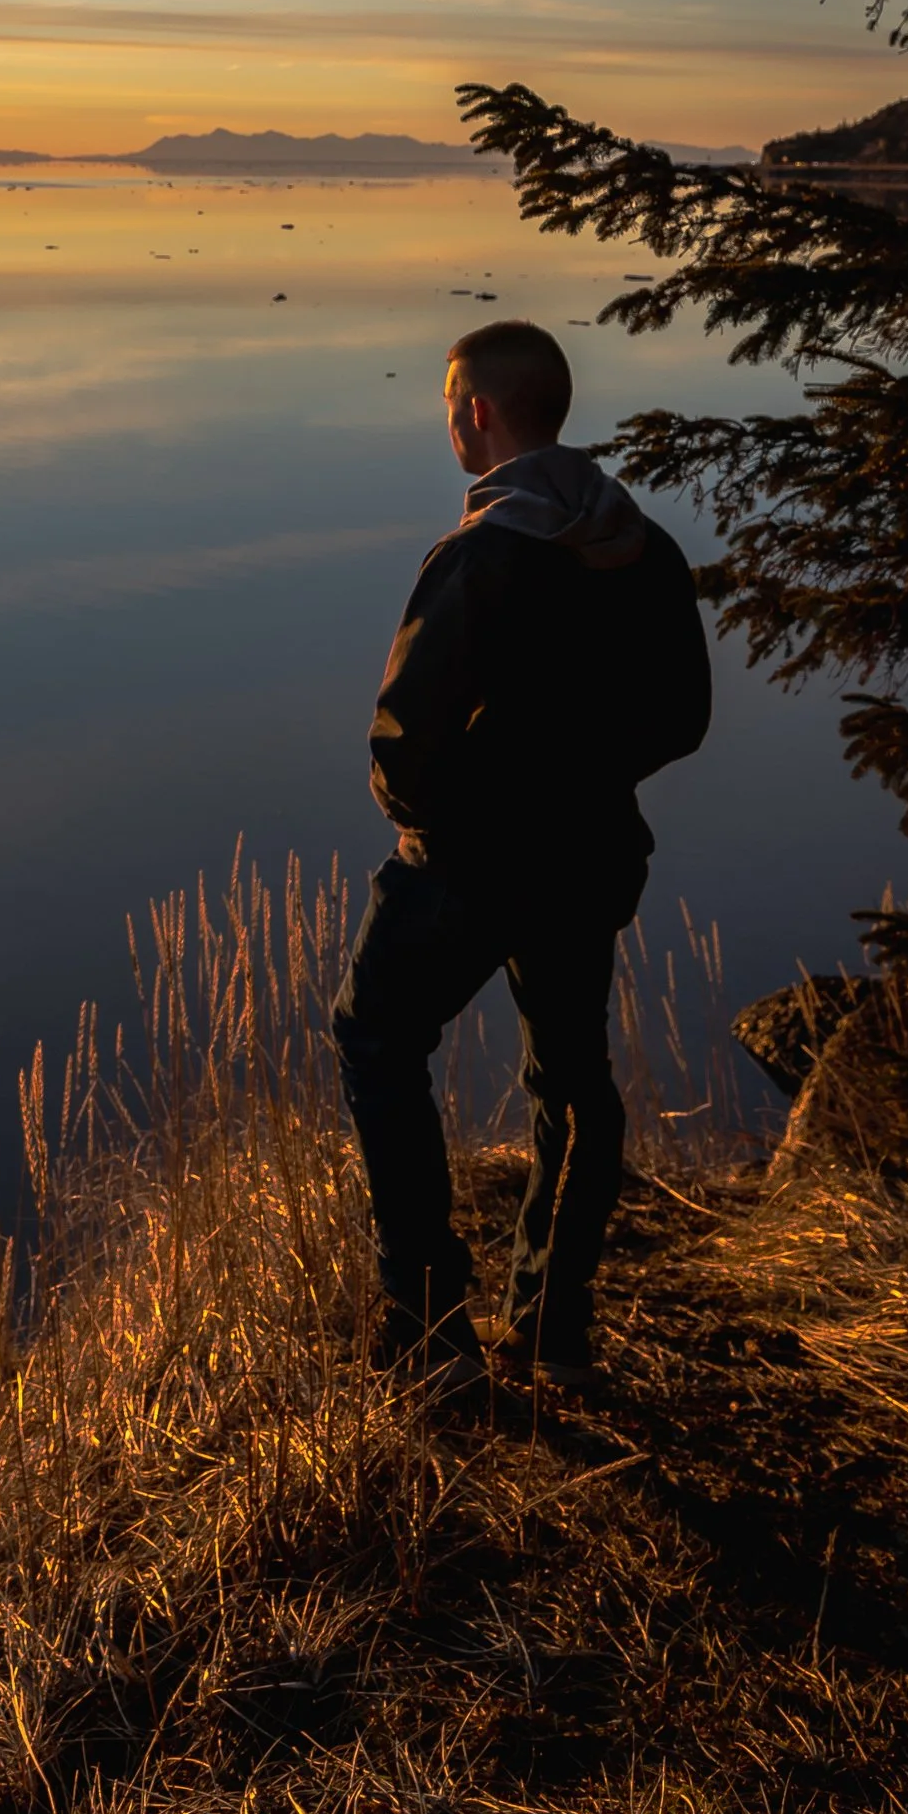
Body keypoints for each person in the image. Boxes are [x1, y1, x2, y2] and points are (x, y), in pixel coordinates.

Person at [333, 319, 711, 1394]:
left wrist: (440, 817)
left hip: (470, 861)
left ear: (478, 414)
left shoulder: (483, 552)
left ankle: (426, 1324)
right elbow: (680, 716)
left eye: (451, 403)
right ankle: (551, 1324)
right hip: (590, 852)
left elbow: (404, 740)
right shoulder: (644, 547)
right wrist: (584, 778)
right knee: (571, 1075)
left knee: (373, 1036)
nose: (449, 419)